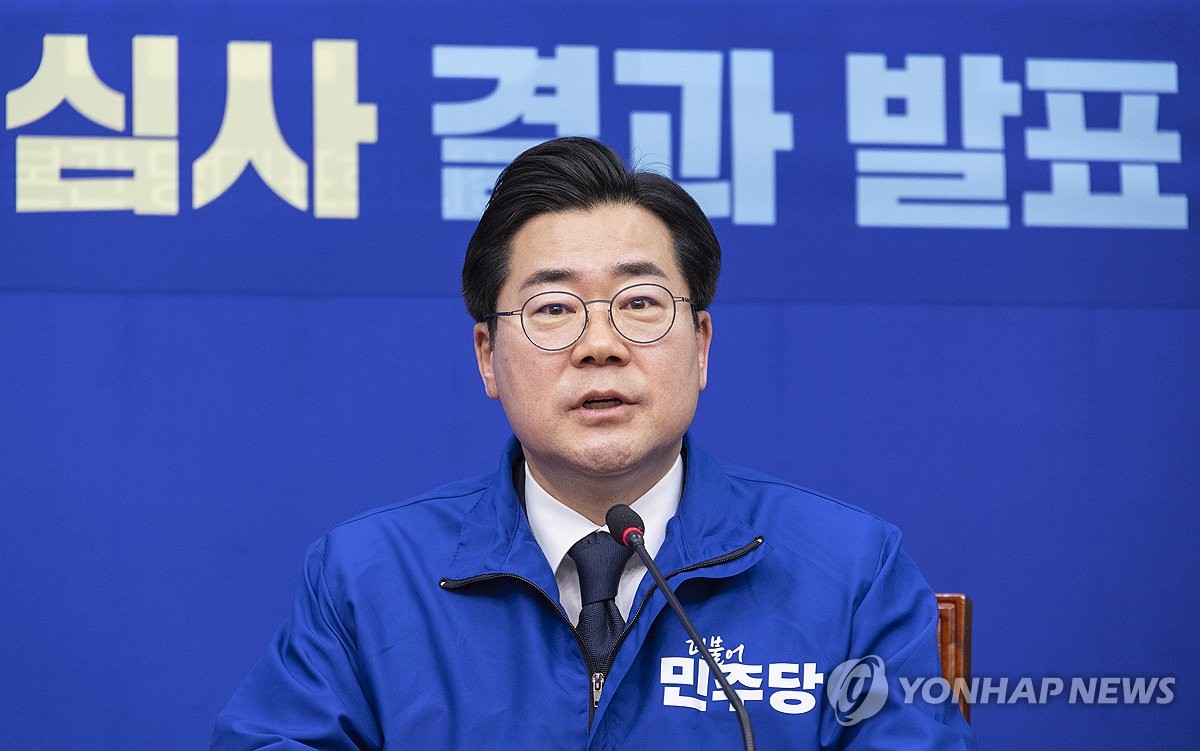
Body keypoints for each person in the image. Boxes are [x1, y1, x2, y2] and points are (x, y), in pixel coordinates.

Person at [211, 137, 977, 749]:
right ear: (487, 357)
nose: (600, 345)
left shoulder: (849, 571)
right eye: (552, 308)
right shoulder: (371, 577)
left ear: (701, 345)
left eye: (640, 302)